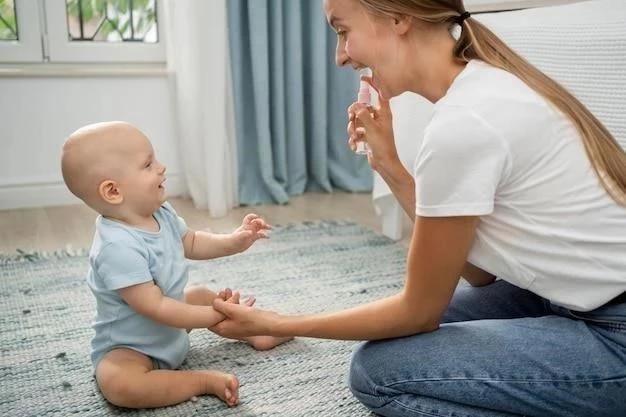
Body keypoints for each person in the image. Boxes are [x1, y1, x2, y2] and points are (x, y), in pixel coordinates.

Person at [210, 1, 626, 416]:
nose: (340, 57)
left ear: (397, 17)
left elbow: (418, 312)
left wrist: (275, 323)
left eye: (342, 31)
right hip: (564, 299)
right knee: (411, 330)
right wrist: (389, 164)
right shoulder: (485, 88)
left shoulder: (464, 124)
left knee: (378, 371)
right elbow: (481, 274)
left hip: (614, 333)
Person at [60, 121, 292, 409]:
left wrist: (234, 241)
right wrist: (212, 316)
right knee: (120, 386)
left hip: (174, 327)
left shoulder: (160, 210)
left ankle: (257, 329)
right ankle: (203, 381)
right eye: (148, 164)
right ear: (113, 191)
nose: (162, 167)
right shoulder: (116, 248)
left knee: (201, 293)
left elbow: (191, 241)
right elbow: (156, 308)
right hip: (133, 347)